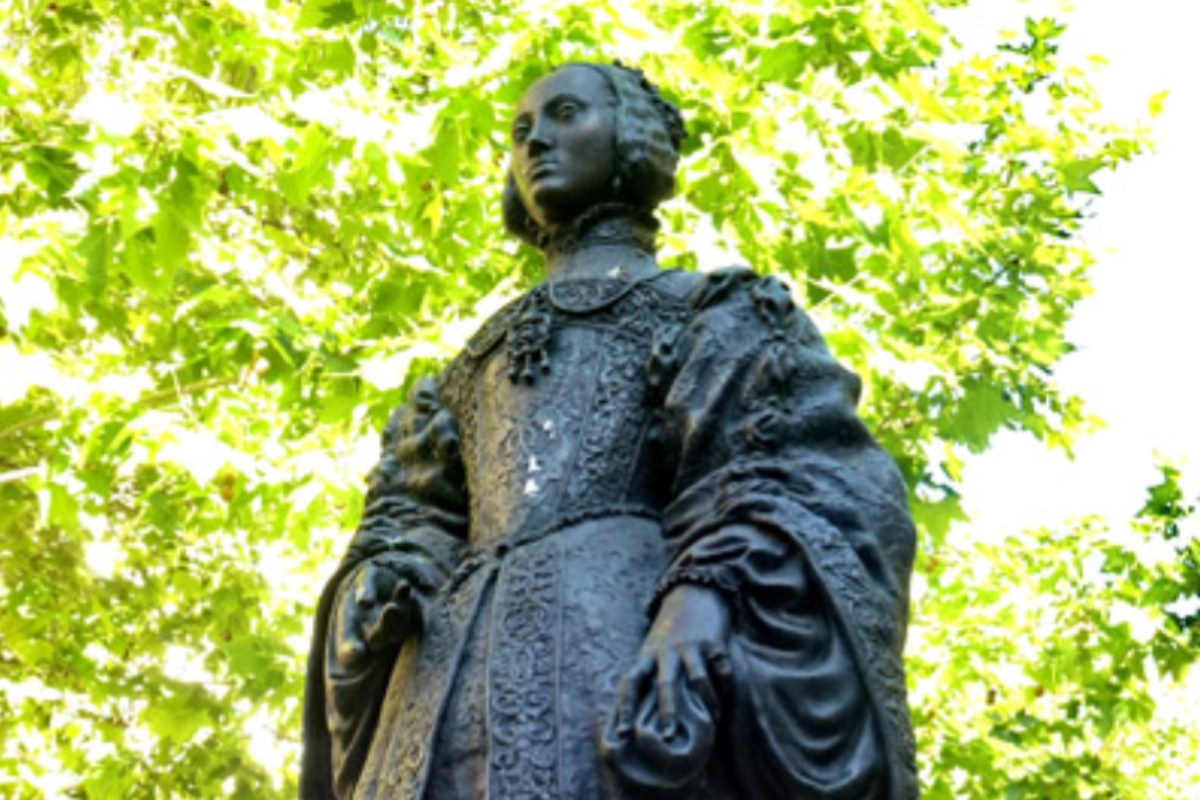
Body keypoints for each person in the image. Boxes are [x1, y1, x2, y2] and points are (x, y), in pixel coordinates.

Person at [301, 62, 918, 800]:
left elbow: (785, 473)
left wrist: (701, 599)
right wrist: (381, 580)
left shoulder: (711, 313)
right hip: (445, 680)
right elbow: (413, 516)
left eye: (566, 114)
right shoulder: (458, 376)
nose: (536, 143)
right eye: (521, 131)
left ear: (631, 132)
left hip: (620, 651)